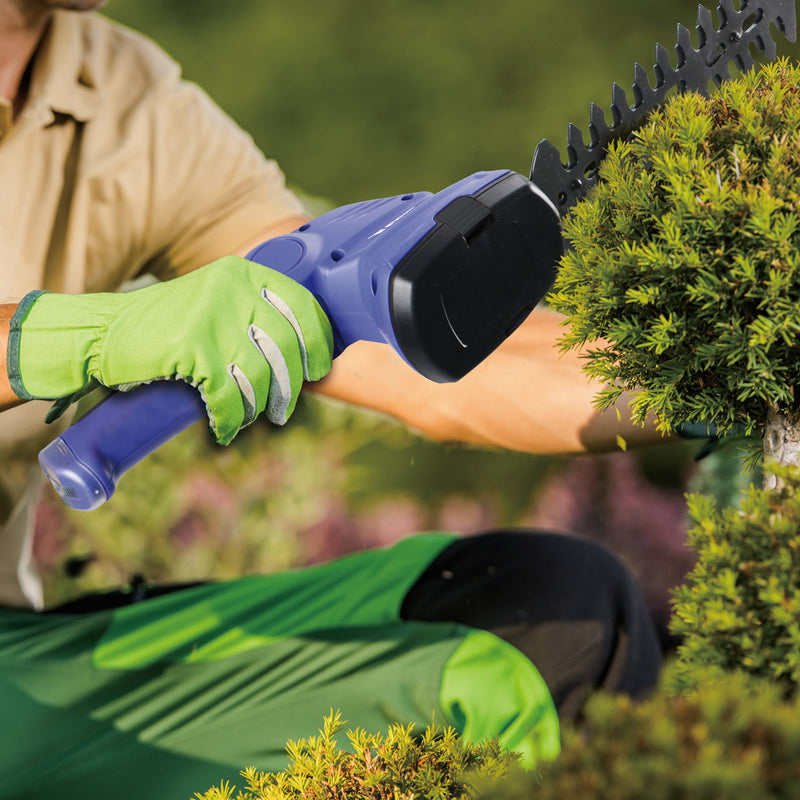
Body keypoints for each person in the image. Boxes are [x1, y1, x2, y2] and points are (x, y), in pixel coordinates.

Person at [0, 2, 665, 796]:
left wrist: (687, 371)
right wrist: (77, 338)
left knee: (548, 616)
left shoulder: (116, 93)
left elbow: (353, 333)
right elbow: (122, 332)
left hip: (25, 664)